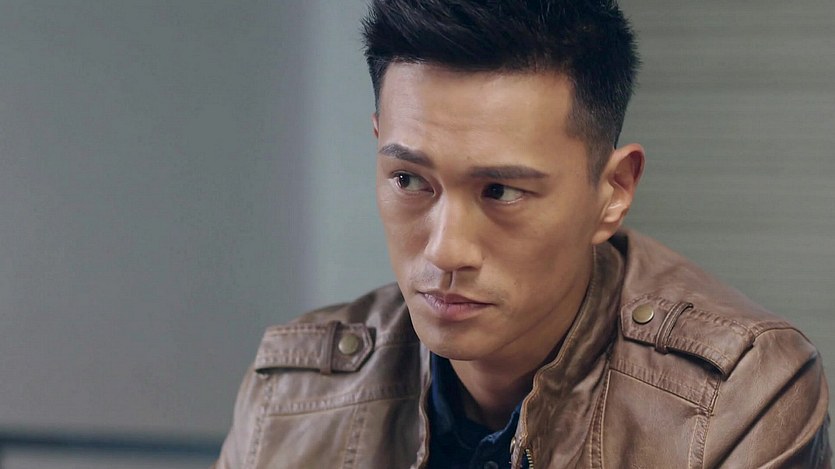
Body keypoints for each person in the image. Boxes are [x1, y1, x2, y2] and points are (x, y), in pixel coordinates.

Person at [214, 1, 830, 467]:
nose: (445, 250)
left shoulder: (739, 396)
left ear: (613, 190)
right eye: (409, 180)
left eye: (501, 191)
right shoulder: (291, 398)